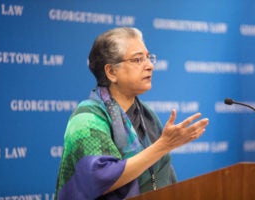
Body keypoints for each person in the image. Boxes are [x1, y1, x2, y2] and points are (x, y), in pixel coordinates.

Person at [54, 27, 209, 200]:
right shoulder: (87, 118)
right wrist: (164, 145)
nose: (149, 66)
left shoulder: (146, 115)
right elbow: (100, 178)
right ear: (111, 72)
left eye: (149, 58)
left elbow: (162, 175)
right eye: (138, 59)